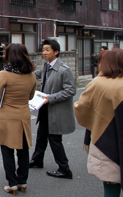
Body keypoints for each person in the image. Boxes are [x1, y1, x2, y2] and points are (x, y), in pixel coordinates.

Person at [74, 48, 123, 197]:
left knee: (110, 183)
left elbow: (81, 108)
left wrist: (94, 119)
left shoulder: (99, 82)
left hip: (106, 139)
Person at [0, 43, 37, 195]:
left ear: (9, 56)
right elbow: (30, 96)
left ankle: (12, 183)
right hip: (23, 115)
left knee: (7, 151)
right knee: (23, 150)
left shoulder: (4, 74)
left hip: (6, 117)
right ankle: (22, 181)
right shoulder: (31, 74)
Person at [29, 39, 76, 179]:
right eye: (43, 50)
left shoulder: (64, 70)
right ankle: (37, 160)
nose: (44, 52)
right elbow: (34, 75)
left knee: (55, 140)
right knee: (41, 136)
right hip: (44, 108)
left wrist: (51, 98)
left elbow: (71, 90)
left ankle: (65, 169)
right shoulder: (46, 66)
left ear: (56, 52)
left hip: (56, 110)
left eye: (47, 50)